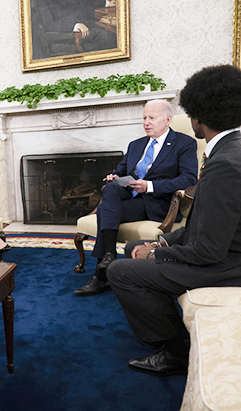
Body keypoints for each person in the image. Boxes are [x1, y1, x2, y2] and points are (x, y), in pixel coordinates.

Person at [107, 64, 241, 376]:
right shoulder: (230, 150)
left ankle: (176, 351)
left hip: (228, 265)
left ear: (197, 115)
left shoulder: (224, 164)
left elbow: (209, 250)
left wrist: (158, 254)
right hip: (224, 249)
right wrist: (162, 242)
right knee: (133, 246)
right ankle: (165, 314)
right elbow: (206, 225)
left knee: (120, 271)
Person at [73, 100, 198, 297]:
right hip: (129, 197)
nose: (146, 122)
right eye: (144, 118)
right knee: (111, 189)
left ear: (168, 120)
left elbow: (189, 179)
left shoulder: (184, 143)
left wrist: (150, 186)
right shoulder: (136, 144)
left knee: (105, 209)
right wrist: (114, 176)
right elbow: (122, 171)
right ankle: (109, 256)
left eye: (152, 118)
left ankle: (101, 274)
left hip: (156, 202)